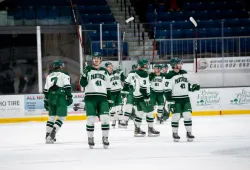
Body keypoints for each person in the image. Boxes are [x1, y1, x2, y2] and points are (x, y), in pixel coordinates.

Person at [80, 52, 111, 149]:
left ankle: (105, 138)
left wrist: (109, 99)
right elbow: (83, 84)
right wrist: (84, 75)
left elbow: (108, 87)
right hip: (90, 98)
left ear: (100, 60)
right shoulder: (88, 70)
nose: (96, 60)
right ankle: (90, 138)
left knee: (105, 118)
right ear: (92, 59)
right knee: (91, 119)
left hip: (103, 98)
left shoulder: (105, 71)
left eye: (98, 58)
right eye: (94, 58)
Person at [164, 58, 200, 142]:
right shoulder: (169, 76)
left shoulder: (184, 73)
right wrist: (170, 102)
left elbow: (187, 85)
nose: (181, 65)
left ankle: (189, 133)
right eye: (179, 64)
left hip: (185, 98)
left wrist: (193, 87)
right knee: (176, 117)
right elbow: (167, 90)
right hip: (175, 100)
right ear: (174, 65)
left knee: (188, 116)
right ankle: (175, 133)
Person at [43, 60, 73, 144]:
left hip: (50, 97)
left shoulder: (49, 75)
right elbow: (67, 86)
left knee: (51, 117)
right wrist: (69, 97)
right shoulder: (64, 74)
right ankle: (52, 134)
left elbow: (45, 90)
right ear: (60, 66)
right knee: (61, 117)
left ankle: (47, 135)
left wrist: (46, 100)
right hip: (60, 96)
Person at [132, 58, 160, 137]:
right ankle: (150, 129)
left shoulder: (136, 73)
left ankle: (137, 130)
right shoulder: (143, 73)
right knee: (150, 112)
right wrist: (146, 97)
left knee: (140, 114)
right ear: (143, 65)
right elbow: (143, 87)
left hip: (137, 96)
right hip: (143, 96)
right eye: (146, 64)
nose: (147, 65)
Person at [105, 62, 123, 128]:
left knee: (119, 108)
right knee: (112, 109)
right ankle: (113, 121)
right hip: (111, 93)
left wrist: (122, 73)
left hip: (118, 92)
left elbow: (123, 80)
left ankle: (120, 121)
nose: (110, 68)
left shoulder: (117, 73)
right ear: (106, 68)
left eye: (111, 66)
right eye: (109, 67)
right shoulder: (105, 75)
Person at [120, 64, 138, 128]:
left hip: (139, 93)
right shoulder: (130, 74)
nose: (136, 69)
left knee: (136, 109)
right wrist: (124, 92)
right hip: (132, 92)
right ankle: (125, 121)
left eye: (136, 67)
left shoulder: (142, 74)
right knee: (128, 106)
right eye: (135, 68)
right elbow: (126, 83)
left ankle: (136, 123)